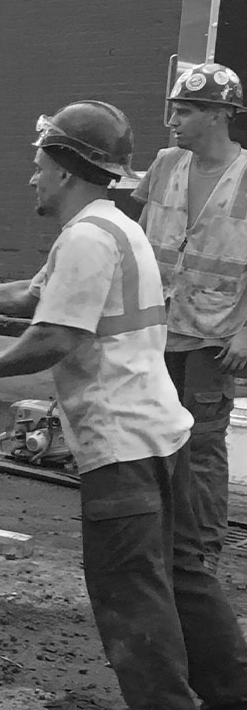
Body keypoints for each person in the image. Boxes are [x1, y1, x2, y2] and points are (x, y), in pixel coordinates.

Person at [0, 100, 247, 709]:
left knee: (129, 591)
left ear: (65, 171)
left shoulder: (88, 239)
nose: (32, 178)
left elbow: (55, 336)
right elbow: (34, 296)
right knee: (184, 579)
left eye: (39, 166)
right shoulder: (113, 227)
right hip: (161, 435)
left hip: (121, 446)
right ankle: (231, 693)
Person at [135, 62, 247, 573]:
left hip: (213, 335)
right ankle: (162, 539)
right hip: (156, 328)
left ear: (218, 115)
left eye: (183, 111)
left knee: (201, 445)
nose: (172, 121)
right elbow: (140, 240)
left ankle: (202, 553)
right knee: (153, 436)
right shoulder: (165, 165)